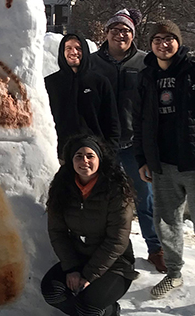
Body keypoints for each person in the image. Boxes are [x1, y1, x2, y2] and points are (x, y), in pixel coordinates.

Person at [133, 19, 195, 312]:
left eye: (169, 39)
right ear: (151, 44)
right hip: (162, 164)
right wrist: (143, 159)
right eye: (157, 39)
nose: (163, 44)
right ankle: (174, 274)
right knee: (166, 224)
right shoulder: (146, 75)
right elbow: (139, 121)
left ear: (178, 41)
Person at [91, 8, 165, 272]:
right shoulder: (92, 63)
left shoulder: (146, 62)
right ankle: (102, 249)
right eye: (115, 30)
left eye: (126, 31)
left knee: (145, 200)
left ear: (133, 35)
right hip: (102, 145)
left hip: (135, 145)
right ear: (107, 33)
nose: (120, 35)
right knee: (102, 199)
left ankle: (156, 248)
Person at [41, 135, 137, 316]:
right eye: (78, 156)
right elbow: (57, 232)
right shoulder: (62, 188)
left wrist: (89, 275)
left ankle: (109, 311)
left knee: (88, 306)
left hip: (114, 264)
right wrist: (71, 268)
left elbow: (117, 239)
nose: (84, 161)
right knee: (52, 292)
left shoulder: (117, 189)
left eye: (90, 155)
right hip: (79, 257)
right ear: (71, 160)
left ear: (99, 159)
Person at [45, 33, 120, 156]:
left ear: (85, 51)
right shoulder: (49, 83)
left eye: (78, 48)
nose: (73, 52)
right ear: (62, 52)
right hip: (60, 155)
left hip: (94, 154)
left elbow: (111, 121)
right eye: (68, 48)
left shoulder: (100, 82)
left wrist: (109, 153)